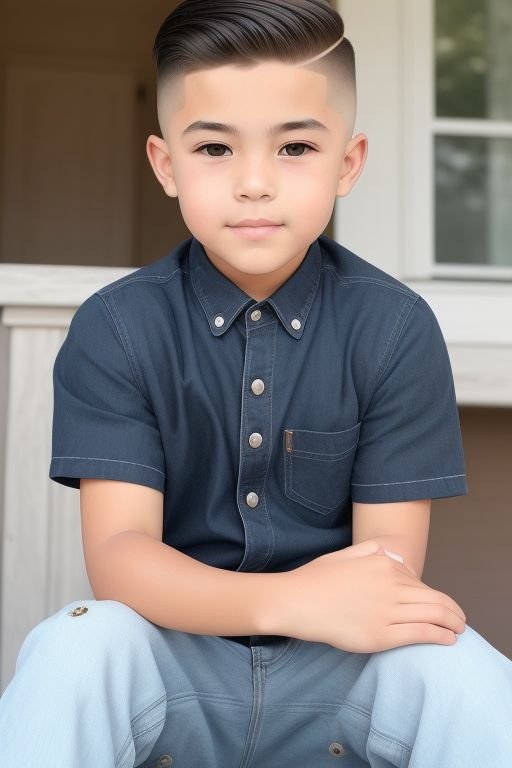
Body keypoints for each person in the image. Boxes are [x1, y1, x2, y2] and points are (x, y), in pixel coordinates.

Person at [1, 1, 511, 765]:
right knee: (77, 643)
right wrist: (286, 599)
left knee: (461, 664)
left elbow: (386, 573)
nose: (253, 183)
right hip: (173, 660)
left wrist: (322, 611)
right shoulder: (116, 328)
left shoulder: (396, 329)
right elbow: (119, 557)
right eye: (214, 148)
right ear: (165, 164)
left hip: (342, 670)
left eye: (295, 146)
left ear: (348, 162)